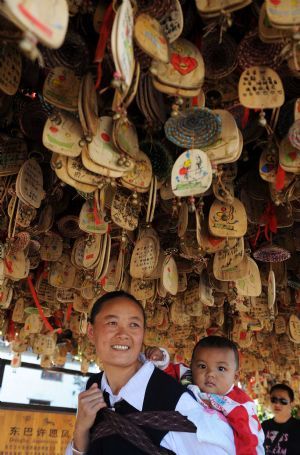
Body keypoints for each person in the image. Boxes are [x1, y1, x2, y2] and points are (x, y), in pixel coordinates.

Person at [66, 291, 235, 455]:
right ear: (91, 332)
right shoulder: (93, 389)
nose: (123, 334)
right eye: (112, 323)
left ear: (142, 334)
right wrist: (81, 429)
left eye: (134, 325)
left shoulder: (172, 400)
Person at [146, 336, 265, 455]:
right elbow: (168, 370)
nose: (210, 373)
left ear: (235, 377)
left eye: (221, 368)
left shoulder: (240, 404)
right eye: (202, 366)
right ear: (192, 367)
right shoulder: (188, 377)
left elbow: (249, 437)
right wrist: (160, 358)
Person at [262, 383, 300, 455]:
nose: (277, 404)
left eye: (283, 401)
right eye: (274, 399)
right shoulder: (264, 426)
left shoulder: (298, 427)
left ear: (291, 404)